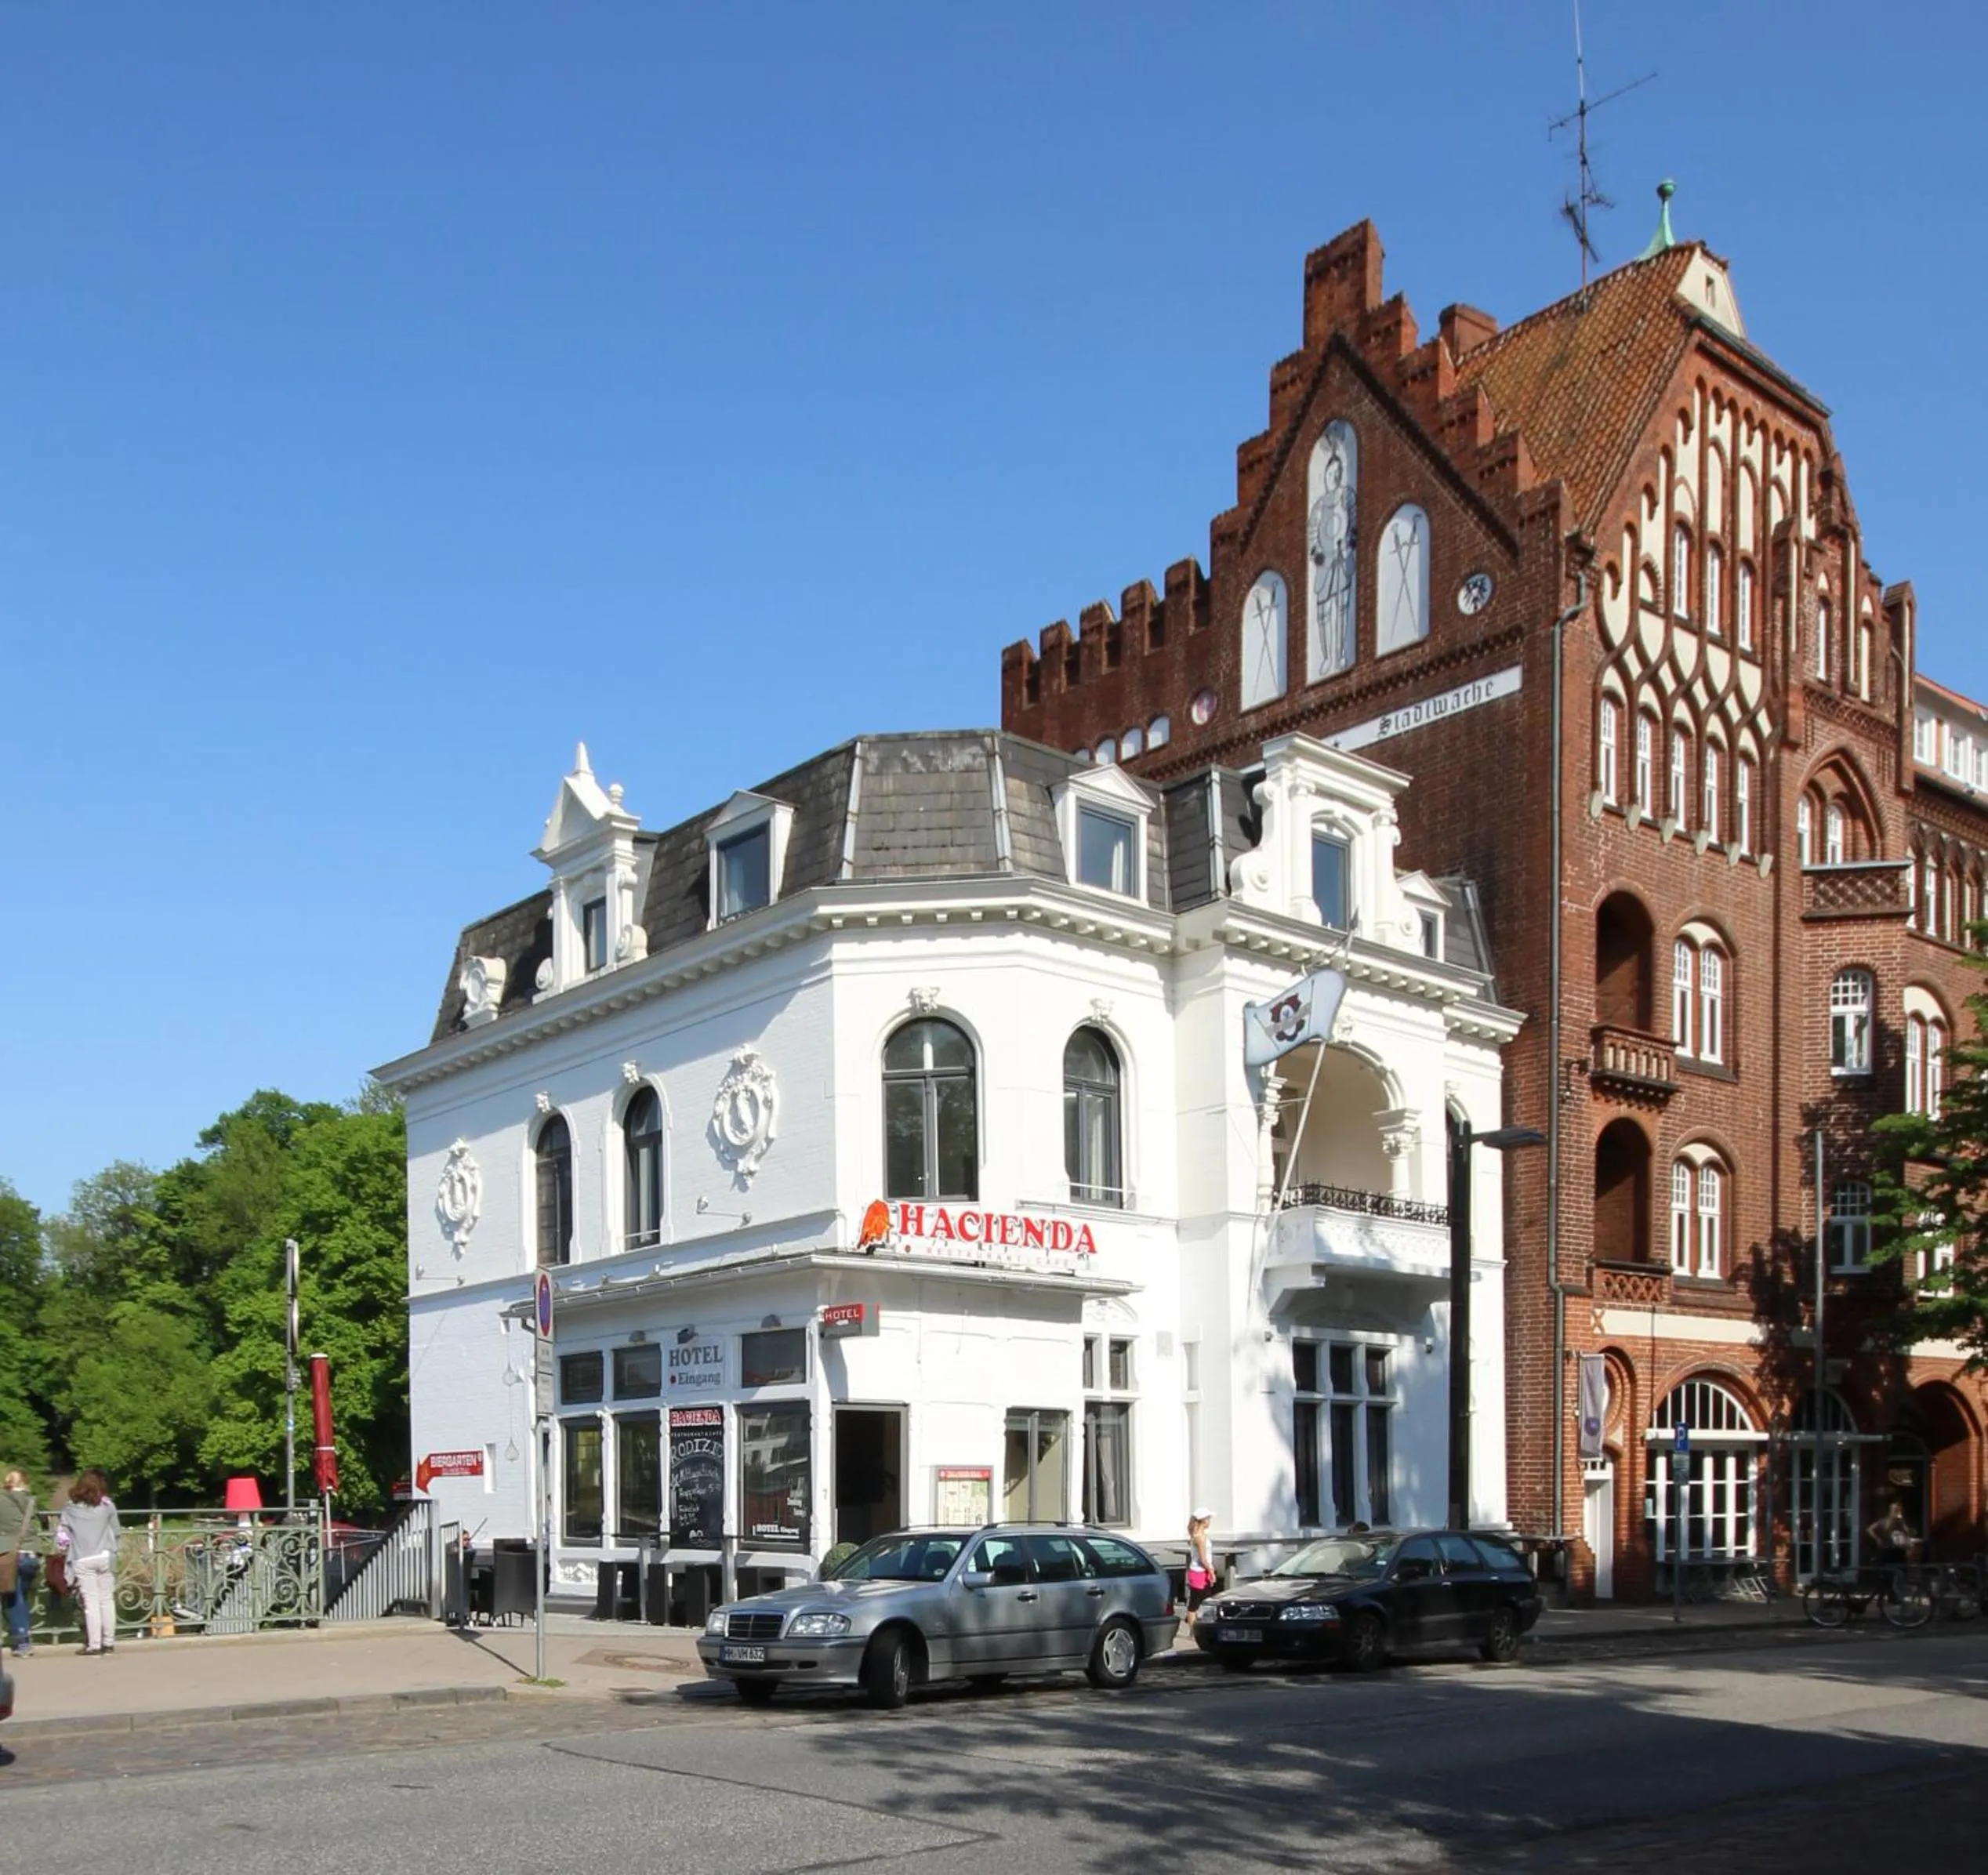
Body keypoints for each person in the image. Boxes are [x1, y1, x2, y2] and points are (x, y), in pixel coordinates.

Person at [58, 1470, 122, 1656]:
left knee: (91, 1602)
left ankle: (94, 1645)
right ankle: (109, 1643)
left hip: (82, 1557)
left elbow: (63, 1535)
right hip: (105, 1556)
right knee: (107, 1600)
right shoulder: (108, 1505)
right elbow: (116, 1531)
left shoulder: (70, 1508)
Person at [1, 1469, 34, 1656]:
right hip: (31, 1554)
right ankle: (24, 1634)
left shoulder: (2, 1499)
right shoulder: (30, 1499)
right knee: (22, 1595)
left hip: (9, 1553)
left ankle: (22, 1641)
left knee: (14, 1597)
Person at [1182, 1508, 1216, 1634]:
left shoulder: (1200, 1536)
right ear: (1203, 1521)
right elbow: (1202, 1558)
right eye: (1208, 1519)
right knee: (1195, 1603)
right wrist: (1211, 1570)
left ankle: (1201, 1627)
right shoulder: (1199, 1538)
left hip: (1202, 1572)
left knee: (1205, 1600)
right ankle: (1193, 1630)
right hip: (1198, 1572)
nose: (1210, 1522)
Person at [1867, 1500, 1917, 1564]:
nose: (1897, 1512)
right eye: (1895, 1510)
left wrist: (1902, 1522)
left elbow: (1907, 1532)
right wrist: (1877, 1539)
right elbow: (1870, 1529)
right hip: (1886, 1549)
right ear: (1891, 1511)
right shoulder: (1884, 1521)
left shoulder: (1900, 1522)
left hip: (1898, 1549)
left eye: (1898, 1510)